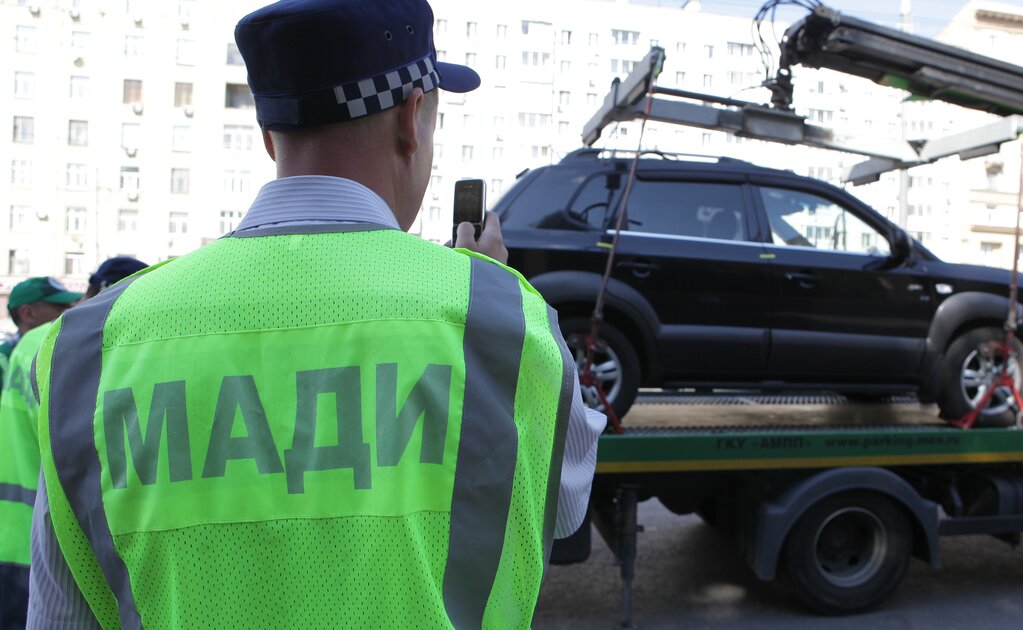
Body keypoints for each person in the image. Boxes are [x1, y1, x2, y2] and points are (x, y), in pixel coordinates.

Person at [27, 1, 605, 628]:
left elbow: (60, 616)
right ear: (413, 120)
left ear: (271, 136)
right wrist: (484, 287)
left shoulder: (88, 346)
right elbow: (566, 508)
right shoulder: (504, 321)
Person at [0, 277, 83, 629]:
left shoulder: (20, 351)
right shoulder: (53, 340)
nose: (68, 311)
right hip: (45, 542)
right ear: (28, 312)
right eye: (59, 306)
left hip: (10, 534)